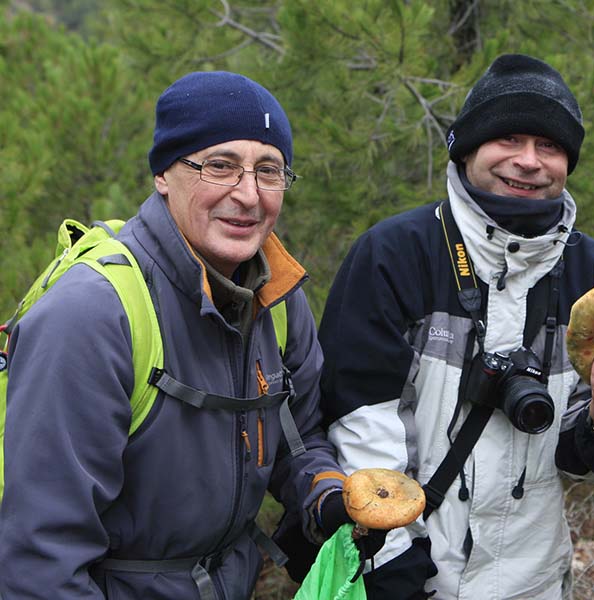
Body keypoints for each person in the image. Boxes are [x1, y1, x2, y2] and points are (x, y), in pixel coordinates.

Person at [0, 71, 358, 599]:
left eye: (269, 171)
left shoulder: (276, 296)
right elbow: (40, 555)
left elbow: (299, 436)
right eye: (220, 166)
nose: (249, 195)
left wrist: (325, 495)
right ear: (164, 174)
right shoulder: (94, 315)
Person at [317, 54, 594, 599]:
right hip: (405, 571)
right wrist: (393, 561)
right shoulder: (395, 253)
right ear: (468, 147)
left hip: (535, 581)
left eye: (549, 146)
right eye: (509, 139)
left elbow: (592, 461)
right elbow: (359, 421)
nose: (529, 161)